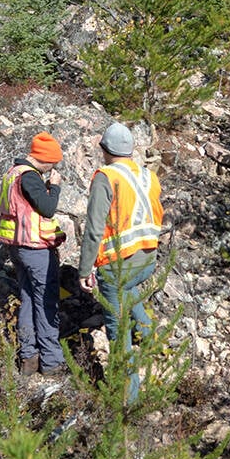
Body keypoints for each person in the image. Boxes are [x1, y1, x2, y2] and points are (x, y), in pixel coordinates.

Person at [78, 122, 164, 402]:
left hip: (118, 264)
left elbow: (94, 227)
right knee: (130, 291)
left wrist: (85, 269)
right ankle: (151, 338)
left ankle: (129, 401)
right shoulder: (148, 175)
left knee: (117, 330)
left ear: (105, 149)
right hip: (148, 257)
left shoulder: (106, 176)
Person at [0, 131, 68, 377]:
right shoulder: (30, 177)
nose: (52, 168)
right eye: (53, 164)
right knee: (46, 301)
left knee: (28, 299)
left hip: (16, 247)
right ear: (45, 160)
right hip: (34, 248)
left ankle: (29, 358)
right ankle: (51, 362)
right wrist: (55, 188)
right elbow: (46, 209)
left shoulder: (13, 173)